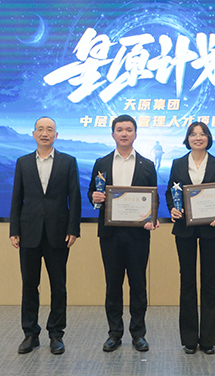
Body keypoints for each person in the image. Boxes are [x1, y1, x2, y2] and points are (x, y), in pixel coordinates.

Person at [88, 114, 159, 353]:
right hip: (110, 235)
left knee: (138, 285)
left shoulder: (147, 165)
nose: (124, 133)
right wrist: (94, 197)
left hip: (138, 235)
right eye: (120, 129)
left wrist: (152, 218)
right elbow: (92, 194)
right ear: (113, 134)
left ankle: (138, 334)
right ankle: (114, 333)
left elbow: (153, 197)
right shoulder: (101, 163)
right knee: (113, 285)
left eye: (129, 129)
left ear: (136, 134)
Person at [10, 117, 81, 355]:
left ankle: (56, 334)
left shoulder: (68, 162)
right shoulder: (23, 162)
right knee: (29, 285)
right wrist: (14, 230)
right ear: (33, 134)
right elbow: (16, 197)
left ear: (56, 135)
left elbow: (75, 197)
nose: (45, 133)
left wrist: (73, 229)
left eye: (50, 130)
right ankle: (30, 334)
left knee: (58, 286)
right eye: (40, 129)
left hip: (58, 233)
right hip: (28, 232)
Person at [165, 122, 215, 355]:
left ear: (208, 138)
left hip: (211, 229)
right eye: (193, 134)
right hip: (185, 229)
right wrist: (172, 209)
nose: (198, 138)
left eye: (202, 134)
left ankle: (208, 339)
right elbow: (170, 193)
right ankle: (190, 339)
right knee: (187, 281)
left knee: (209, 282)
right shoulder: (178, 163)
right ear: (187, 138)